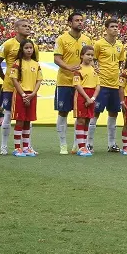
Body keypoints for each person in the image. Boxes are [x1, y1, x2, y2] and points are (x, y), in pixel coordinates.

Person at [53, 12, 91, 155]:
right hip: (65, 81)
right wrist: (69, 67)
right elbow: (57, 59)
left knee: (82, 114)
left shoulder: (87, 39)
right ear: (70, 23)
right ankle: (63, 144)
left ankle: (77, 145)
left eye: (81, 20)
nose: (80, 22)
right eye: (77, 20)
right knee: (63, 112)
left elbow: (89, 59)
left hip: (82, 83)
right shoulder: (62, 39)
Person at [0, 19, 35, 155]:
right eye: (24, 26)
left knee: (27, 117)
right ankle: (4, 146)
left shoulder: (32, 46)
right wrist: (4, 77)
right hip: (10, 86)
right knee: (7, 114)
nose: (28, 28)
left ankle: (27, 146)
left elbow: (34, 64)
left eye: (29, 26)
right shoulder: (8, 44)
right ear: (16, 29)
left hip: (27, 87)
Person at [91, 18, 126, 153]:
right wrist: (96, 69)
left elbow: (120, 62)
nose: (115, 28)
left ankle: (111, 144)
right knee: (95, 113)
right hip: (102, 83)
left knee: (113, 113)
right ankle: (89, 143)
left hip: (115, 84)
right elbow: (92, 59)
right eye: (112, 26)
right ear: (106, 29)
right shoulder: (99, 44)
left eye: (117, 26)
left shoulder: (120, 45)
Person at [10, 38, 41, 157]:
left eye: (30, 48)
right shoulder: (17, 63)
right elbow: (14, 80)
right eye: (26, 48)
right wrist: (23, 94)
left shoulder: (36, 64)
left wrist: (33, 94)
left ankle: (26, 147)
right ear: (22, 49)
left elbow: (39, 80)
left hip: (32, 95)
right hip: (20, 95)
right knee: (20, 121)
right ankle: (17, 148)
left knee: (28, 121)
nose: (29, 50)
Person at [72, 45, 98, 157]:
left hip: (91, 97)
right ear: (82, 55)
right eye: (88, 54)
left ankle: (85, 145)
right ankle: (81, 147)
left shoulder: (94, 70)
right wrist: (87, 98)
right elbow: (77, 85)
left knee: (87, 120)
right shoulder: (78, 69)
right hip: (81, 96)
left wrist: (92, 98)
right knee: (81, 120)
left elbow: (98, 85)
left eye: (92, 55)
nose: (90, 57)